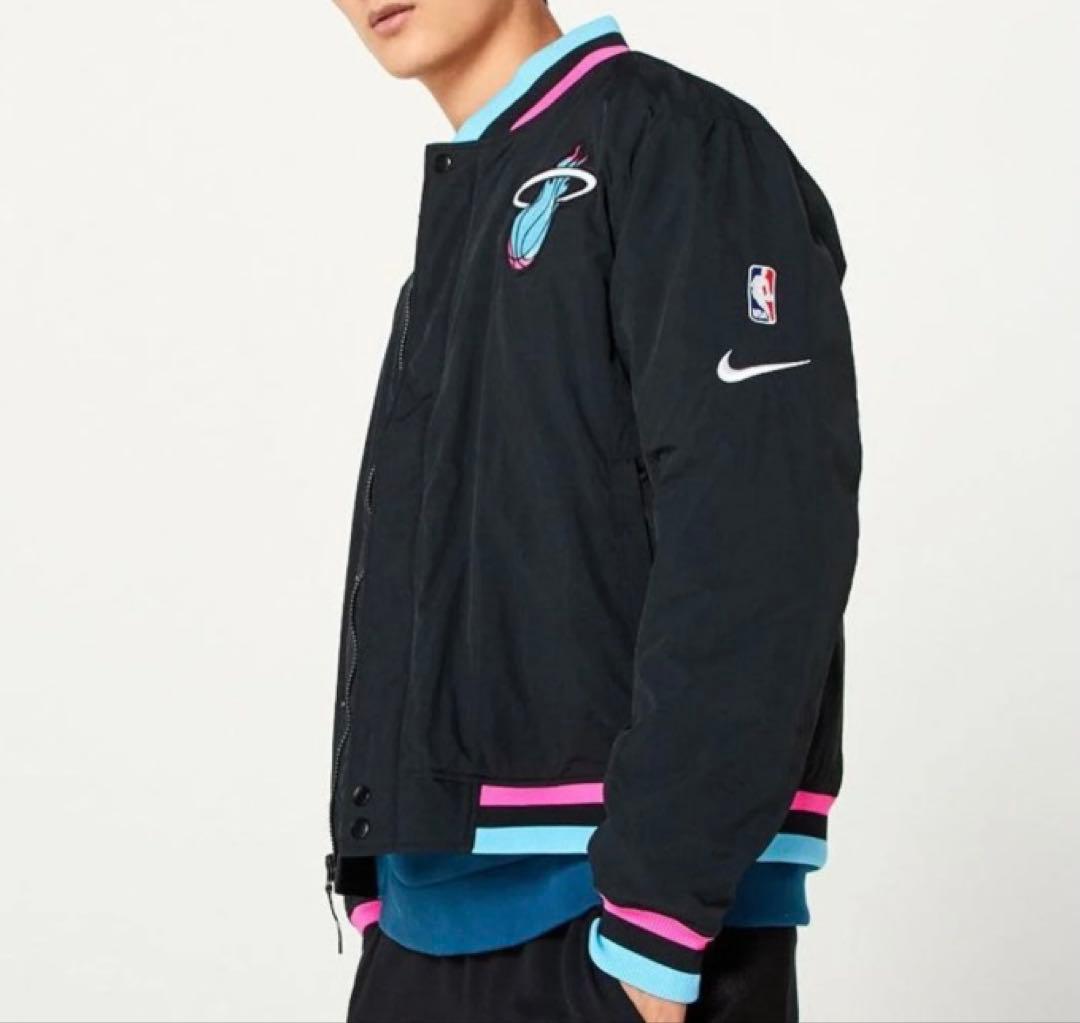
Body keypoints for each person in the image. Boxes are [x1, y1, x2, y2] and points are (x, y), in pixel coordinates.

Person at [324, 2, 860, 1021]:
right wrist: (380, 886)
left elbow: (763, 532)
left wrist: (655, 930)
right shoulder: (467, 214)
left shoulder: (682, 144)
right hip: (428, 924)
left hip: (625, 929)